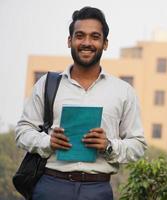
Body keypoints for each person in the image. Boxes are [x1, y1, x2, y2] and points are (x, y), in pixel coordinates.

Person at [15, 6, 147, 200]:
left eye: (95, 37)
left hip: (97, 189)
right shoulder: (47, 84)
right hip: (51, 185)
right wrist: (48, 142)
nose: (87, 43)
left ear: (105, 43)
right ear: (70, 41)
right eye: (80, 36)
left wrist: (108, 146)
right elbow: (22, 132)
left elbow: (138, 145)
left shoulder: (123, 92)